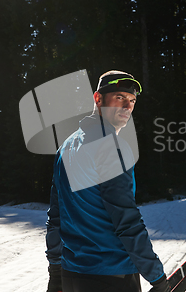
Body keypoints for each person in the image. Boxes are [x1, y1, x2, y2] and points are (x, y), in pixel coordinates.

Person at [45, 70, 171, 292]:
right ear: (98, 98)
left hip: (72, 275)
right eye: (119, 97)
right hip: (112, 276)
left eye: (132, 100)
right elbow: (127, 221)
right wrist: (158, 278)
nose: (127, 106)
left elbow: (56, 217)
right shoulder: (112, 147)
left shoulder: (66, 147)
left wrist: (56, 273)